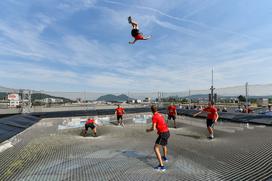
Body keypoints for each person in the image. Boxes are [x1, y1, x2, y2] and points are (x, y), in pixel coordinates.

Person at [146, 105, 170, 172]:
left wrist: (148, 130)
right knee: (164, 145)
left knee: (156, 148)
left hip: (163, 134)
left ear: (151, 110)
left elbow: (153, 128)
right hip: (167, 132)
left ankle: (161, 166)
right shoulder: (160, 115)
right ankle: (165, 158)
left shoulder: (154, 116)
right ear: (157, 109)